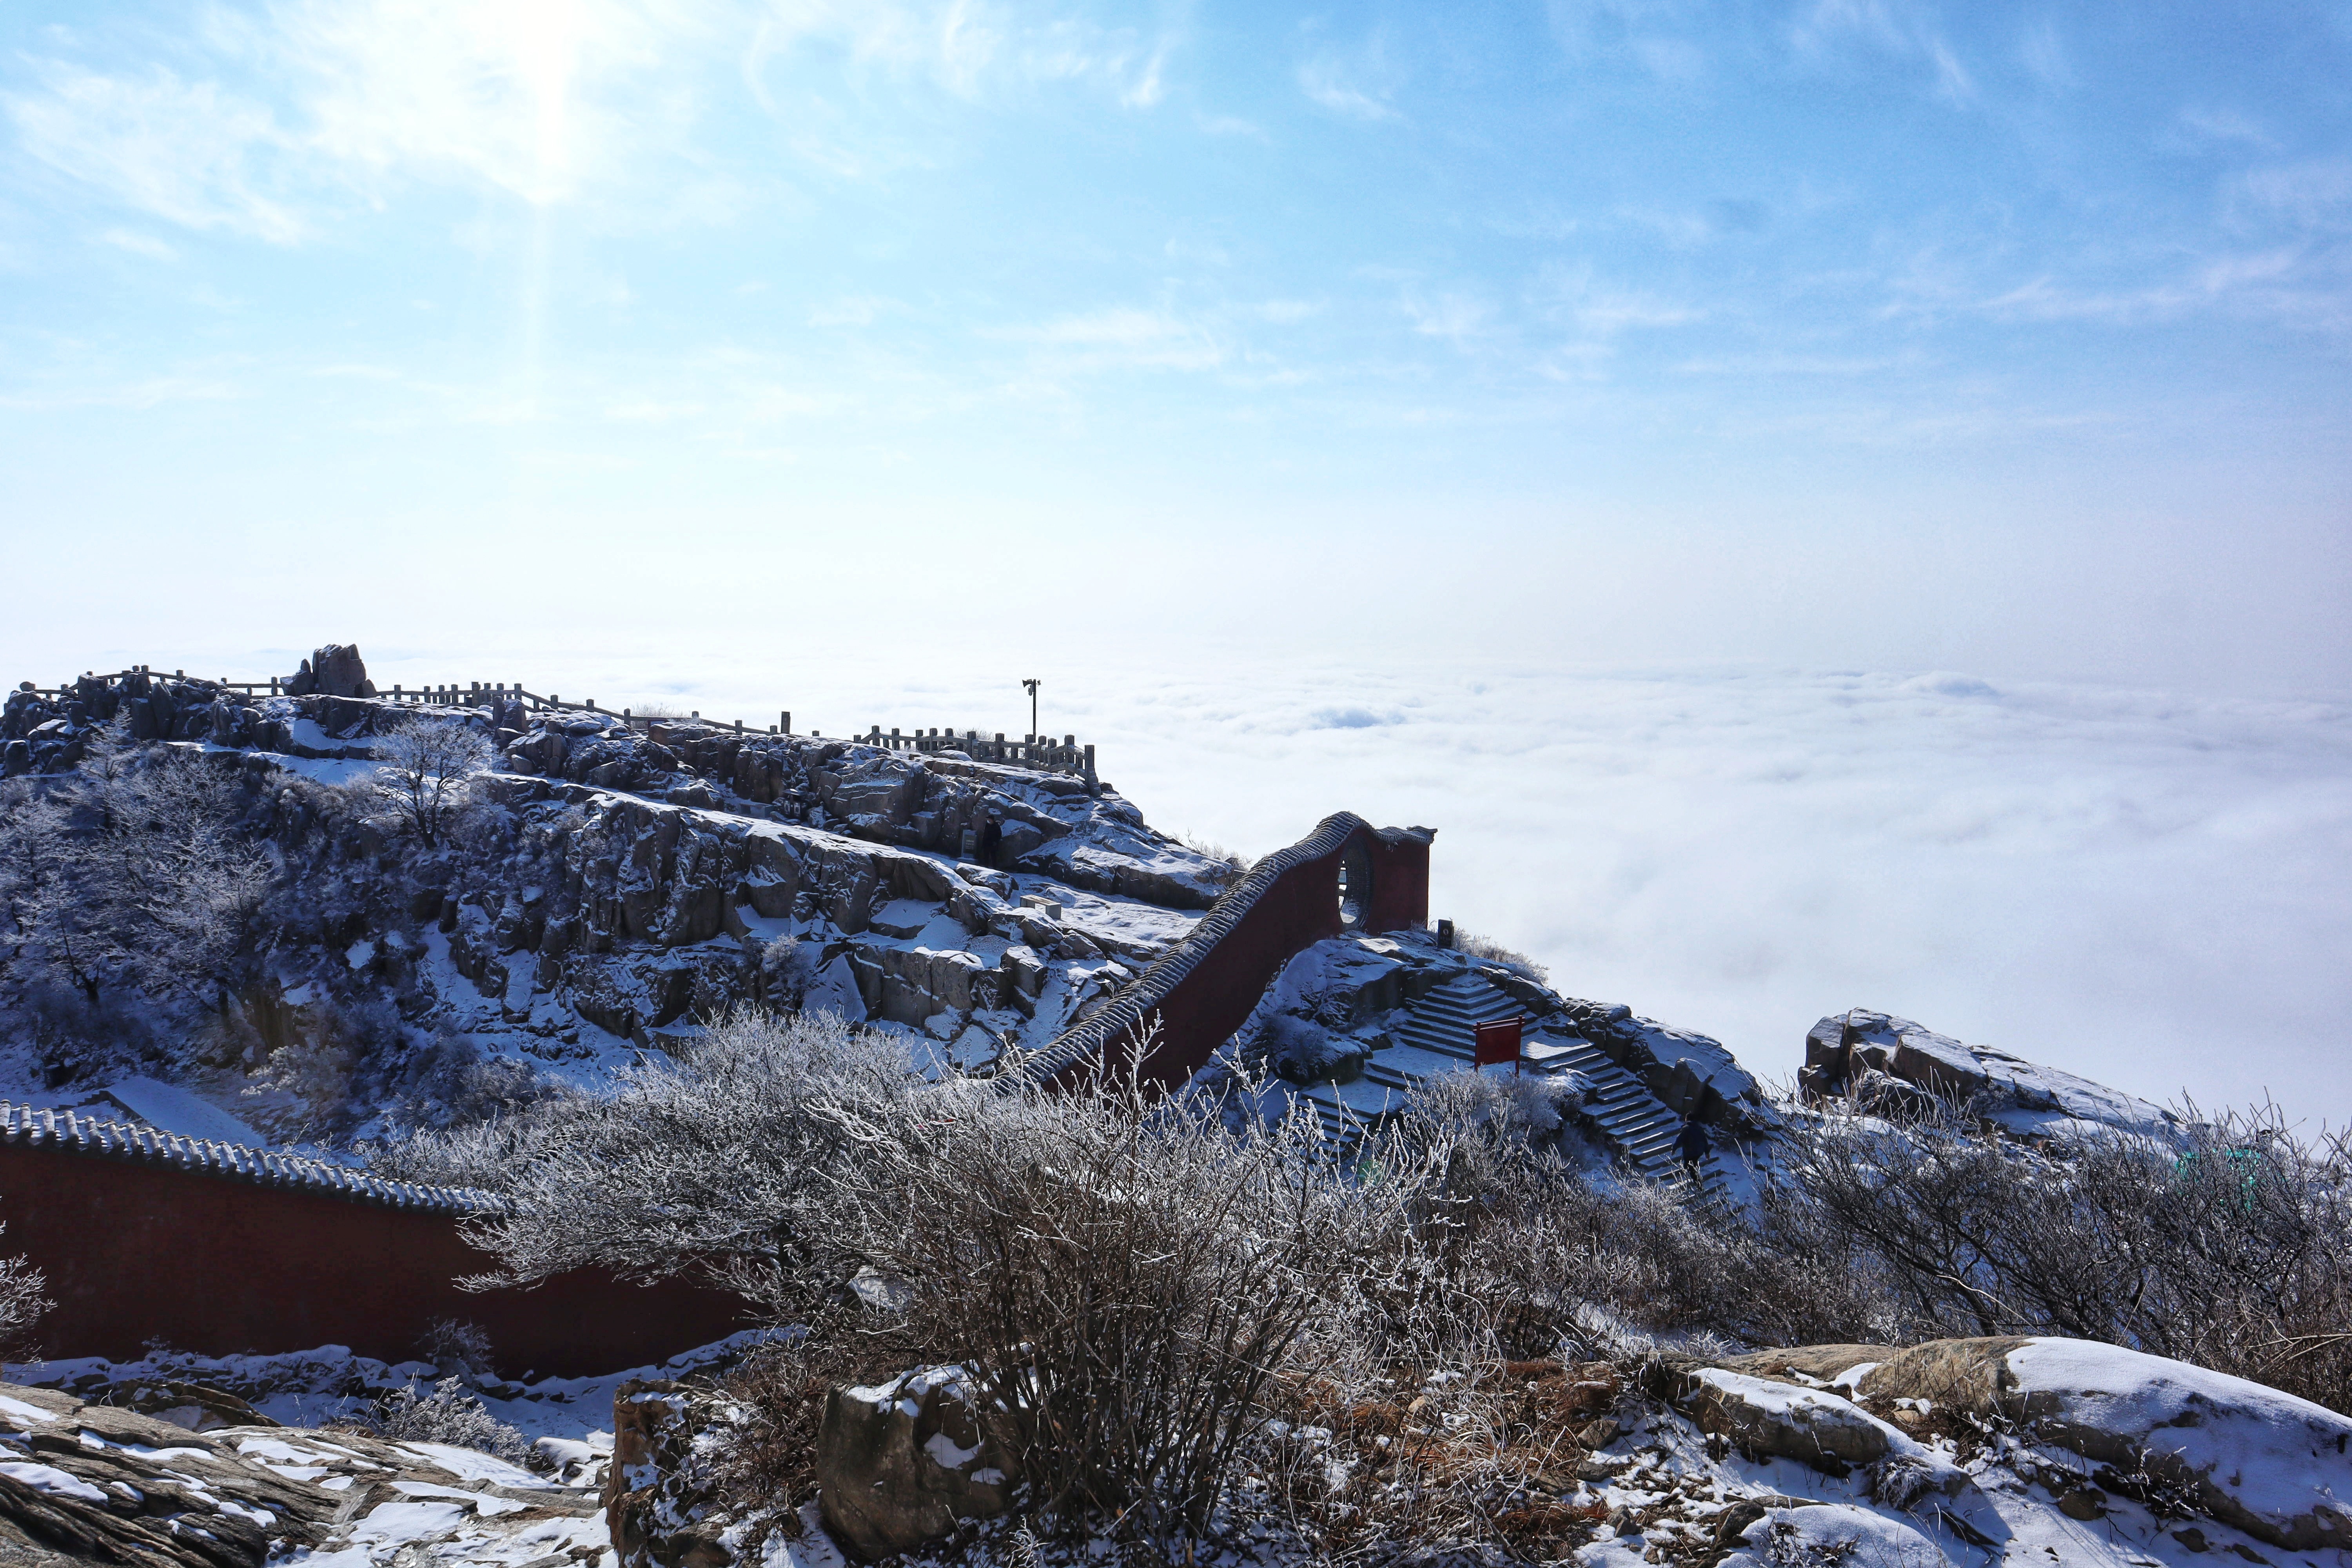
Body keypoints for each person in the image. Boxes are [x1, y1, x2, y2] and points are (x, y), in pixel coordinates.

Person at [1676, 1114, 1711, 1184]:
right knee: (1692, 1163)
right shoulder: (1700, 1129)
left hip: (1690, 1152)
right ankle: (1689, 1174)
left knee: (1690, 1167)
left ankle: (1698, 1184)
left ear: (1687, 1119)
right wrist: (1707, 1152)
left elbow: (1679, 1139)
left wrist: (1674, 1149)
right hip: (1699, 1152)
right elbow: (1705, 1141)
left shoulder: (1686, 1129)